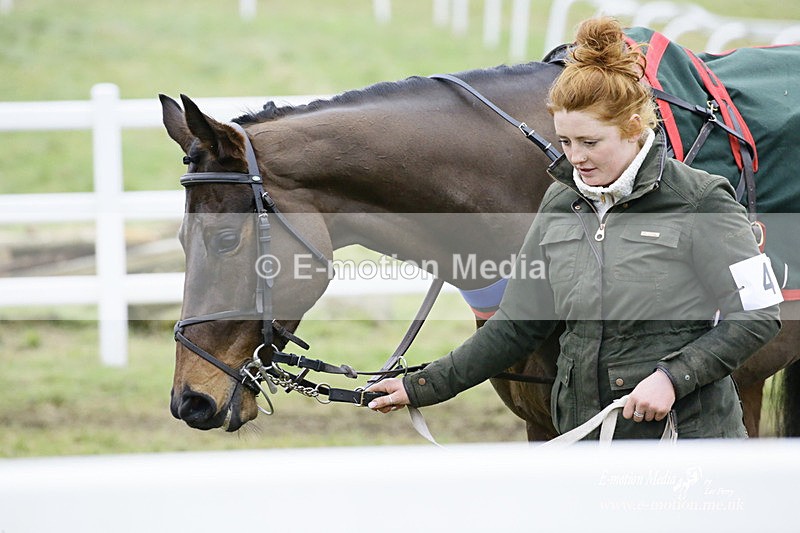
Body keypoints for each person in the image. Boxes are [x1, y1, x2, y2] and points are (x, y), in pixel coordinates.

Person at [367, 16, 782, 439]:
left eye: (589, 143)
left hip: (685, 442)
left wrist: (673, 378)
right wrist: (421, 386)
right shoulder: (559, 202)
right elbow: (517, 325)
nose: (575, 157)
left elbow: (759, 315)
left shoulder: (702, 198)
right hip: (582, 440)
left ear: (633, 128)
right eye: (565, 142)